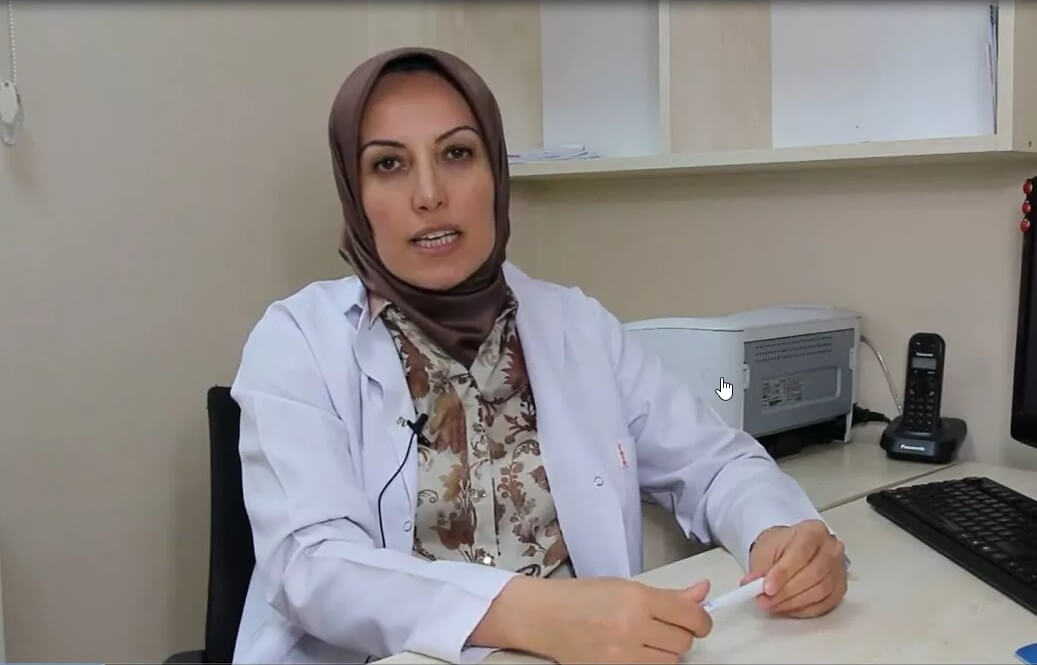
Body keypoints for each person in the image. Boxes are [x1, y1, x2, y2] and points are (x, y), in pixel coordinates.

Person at [229, 46, 848, 665]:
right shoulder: (299, 340)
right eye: (389, 164)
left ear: (496, 172)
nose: (429, 193)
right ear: (354, 192)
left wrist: (779, 533)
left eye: (456, 154)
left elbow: (715, 464)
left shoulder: (575, 324)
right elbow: (312, 563)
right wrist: (534, 614)